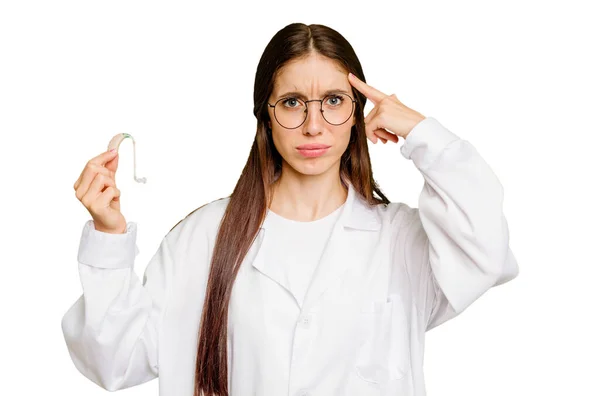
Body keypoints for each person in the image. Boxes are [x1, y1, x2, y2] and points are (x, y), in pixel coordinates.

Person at [62, 22, 519, 396]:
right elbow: (114, 361)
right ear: (265, 112)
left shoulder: (401, 240)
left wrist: (423, 134)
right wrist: (108, 236)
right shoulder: (202, 239)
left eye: (335, 101)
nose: (314, 125)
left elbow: (488, 252)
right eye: (293, 103)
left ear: (358, 110)